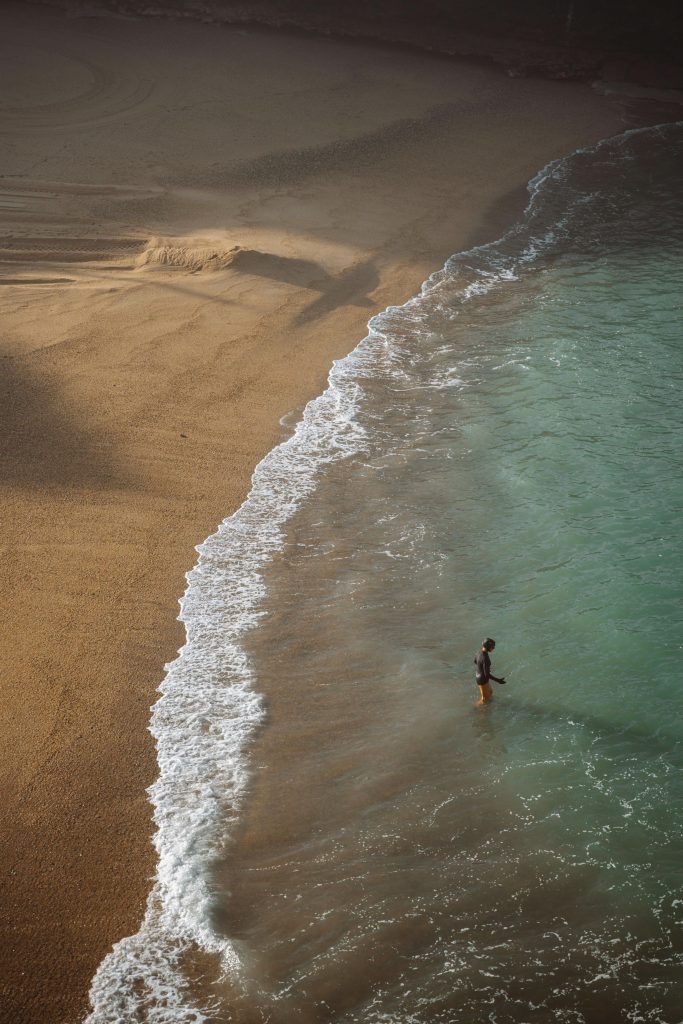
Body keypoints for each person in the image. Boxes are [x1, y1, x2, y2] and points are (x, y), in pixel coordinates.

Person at [474, 638, 506, 706]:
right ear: (488, 647)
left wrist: (482, 668)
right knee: (484, 699)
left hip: (479, 675)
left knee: (490, 692)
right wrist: (498, 680)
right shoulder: (486, 658)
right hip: (482, 679)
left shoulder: (478, 652)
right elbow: (487, 675)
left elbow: (475, 661)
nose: (493, 648)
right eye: (492, 647)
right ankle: (476, 708)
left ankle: (488, 705)